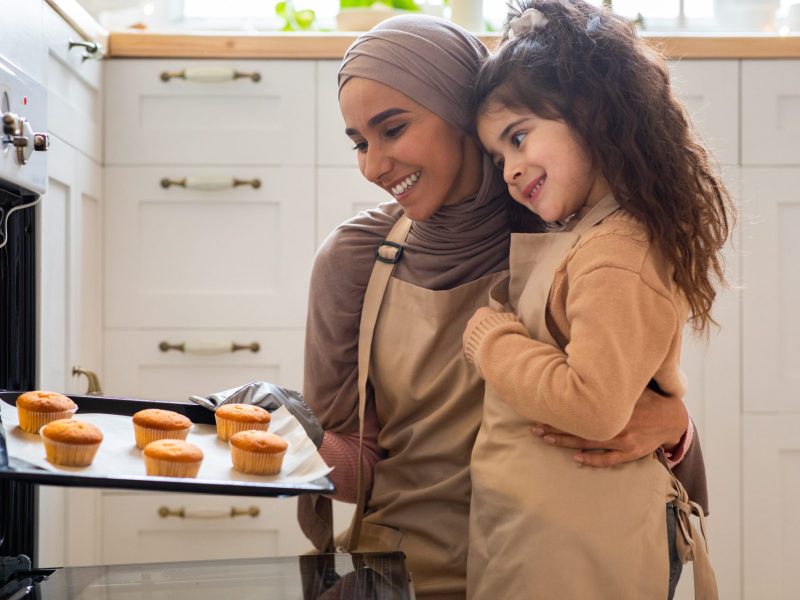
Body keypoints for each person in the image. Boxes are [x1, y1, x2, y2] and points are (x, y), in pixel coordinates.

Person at [297, 13, 708, 600]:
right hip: (408, 574)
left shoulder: (571, 235)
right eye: (361, 142)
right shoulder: (354, 260)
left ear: (463, 114)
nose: (372, 164)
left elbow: (622, 408)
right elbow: (360, 459)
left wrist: (675, 428)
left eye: (393, 129)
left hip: (556, 567)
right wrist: (288, 442)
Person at [462, 1, 733, 598]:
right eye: (498, 156)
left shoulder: (616, 252)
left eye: (519, 136)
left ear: (589, 112)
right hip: (546, 535)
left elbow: (595, 405)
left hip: (584, 545)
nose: (509, 169)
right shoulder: (587, 234)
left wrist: (492, 340)